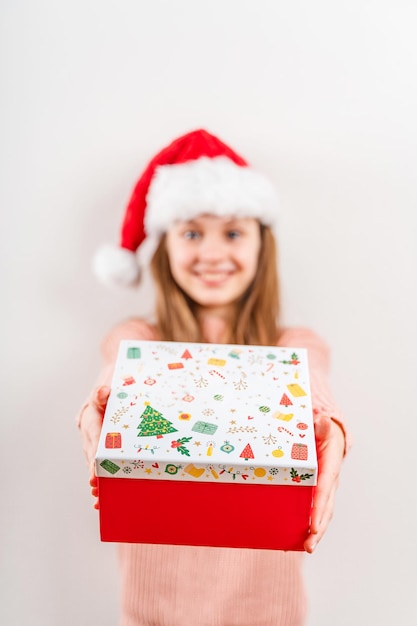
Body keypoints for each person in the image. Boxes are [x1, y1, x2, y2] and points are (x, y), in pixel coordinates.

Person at [77, 129, 350, 626]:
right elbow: (117, 366)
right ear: (164, 249)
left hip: (265, 611)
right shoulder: (138, 338)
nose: (211, 253)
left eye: (232, 232)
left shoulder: (293, 344)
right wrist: (101, 399)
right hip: (155, 607)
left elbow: (311, 377)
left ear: (261, 246)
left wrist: (325, 420)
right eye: (191, 232)